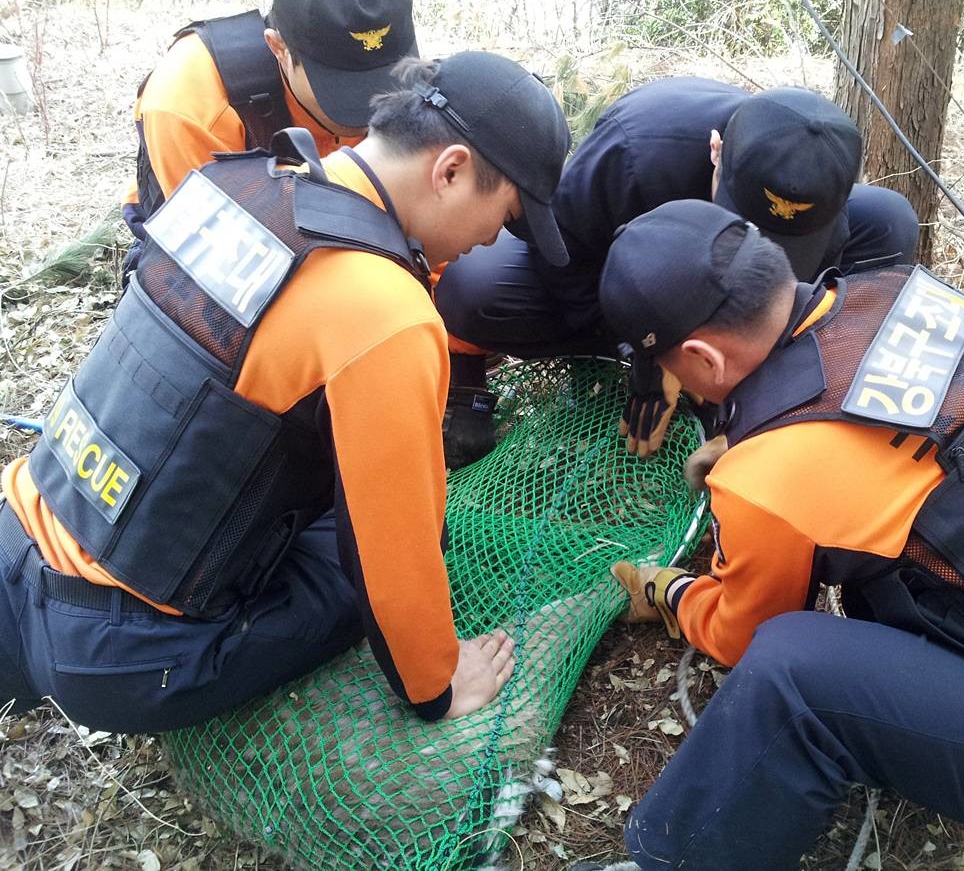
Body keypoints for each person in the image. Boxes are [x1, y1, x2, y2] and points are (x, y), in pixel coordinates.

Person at [586, 199, 964, 870]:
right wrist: (747, 444)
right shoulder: (890, 291)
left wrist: (671, 589)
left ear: (702, 355)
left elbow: (738, 634)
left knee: (792, 671)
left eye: (673, 371)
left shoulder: (770, 475)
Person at [0, 51, 571, 733]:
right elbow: (393, 548)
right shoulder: (384, 307)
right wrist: (438, 685)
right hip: (121, 656)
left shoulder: (235, 180)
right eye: (504, 217)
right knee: (385, 536)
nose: (490, 242)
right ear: (449, 171)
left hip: (19, 534)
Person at [434, 79, 919, 466]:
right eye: (737, 215)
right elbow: (560, 248)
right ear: (716, 150)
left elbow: (792, 303)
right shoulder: (636, 147)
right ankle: (467, 376)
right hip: (611, 280)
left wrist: (762, 399)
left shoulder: (818, 190)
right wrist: (646, 350)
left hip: (719, 316)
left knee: (891, 220)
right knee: (471, 286)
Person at [122, 0, 419, 269]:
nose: (369, 110)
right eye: (342, 87)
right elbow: (221, 258)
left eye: (382, 80)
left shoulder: (397, 56)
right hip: (224, 243)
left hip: (349, 215)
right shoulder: (191, 101)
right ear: (278, 48)